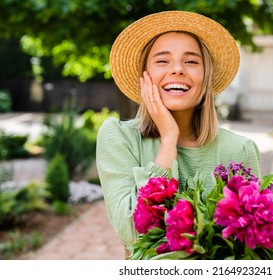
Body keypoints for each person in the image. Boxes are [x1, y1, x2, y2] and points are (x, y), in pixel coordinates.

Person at [96, 10, 261, 257]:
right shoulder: (119, 138)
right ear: (145, 75)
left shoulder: (239, 150)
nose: (177, 70)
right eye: (162, 61)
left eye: (191, 61)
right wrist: (168, 138)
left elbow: (252, 244)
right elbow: (133, 232)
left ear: (206, 77)